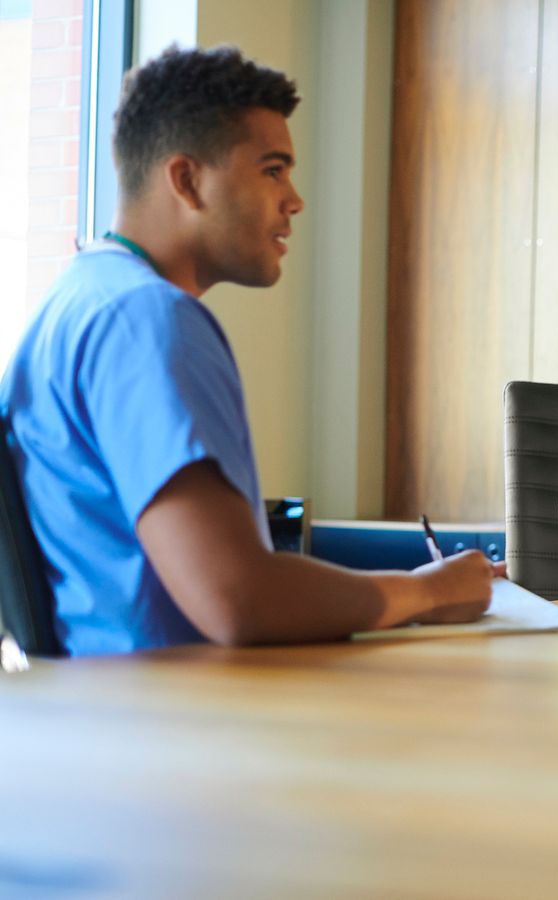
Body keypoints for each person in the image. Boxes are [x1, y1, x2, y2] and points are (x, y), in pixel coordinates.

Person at [0, 46, 494, 656]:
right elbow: (236, 597)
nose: (295, 199)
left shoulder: (76, 300)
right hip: (167, 723)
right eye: (273, 169)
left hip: (106, 711)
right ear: (186, 179)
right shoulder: (147, 318)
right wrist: (431, 593)